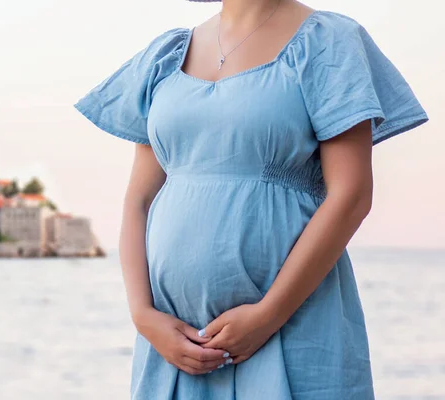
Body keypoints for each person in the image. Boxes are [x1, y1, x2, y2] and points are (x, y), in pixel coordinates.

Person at [73, 0, 429, 398]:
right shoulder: (167, 55)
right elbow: (139, 199)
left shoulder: (328, 41)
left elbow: (352, 194)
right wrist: (144, 316)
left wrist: (269, 314)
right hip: (175, 346)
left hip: (291, 326)